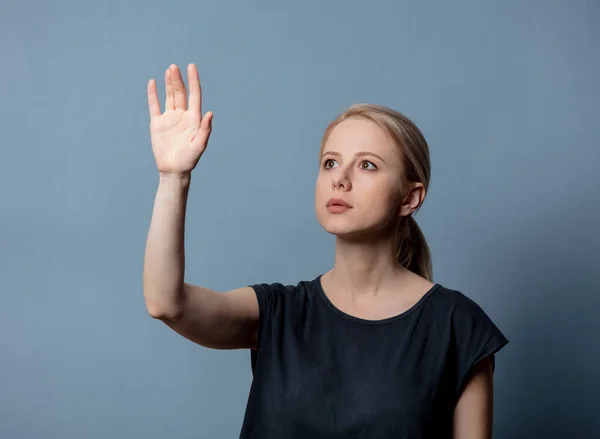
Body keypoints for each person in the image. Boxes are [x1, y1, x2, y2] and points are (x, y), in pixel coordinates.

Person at [143, 63, 509, 438]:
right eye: (330, 162)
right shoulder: (279, 313)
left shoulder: (457, 326)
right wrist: (174, 177)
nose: (340, 178)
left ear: (409, 198)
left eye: (367, 165)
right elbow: (166, 303)